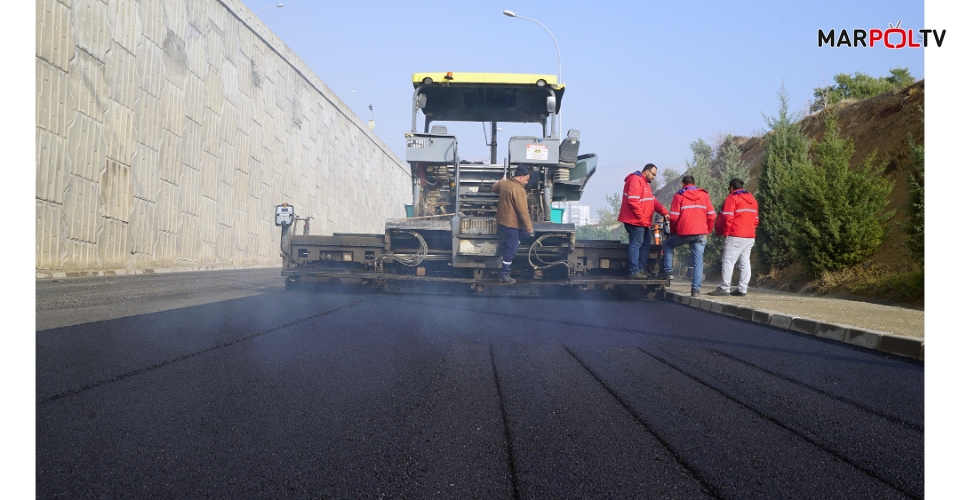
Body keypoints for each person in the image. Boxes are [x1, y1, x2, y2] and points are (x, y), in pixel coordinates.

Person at [659, 175, 715, 297]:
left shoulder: (679, 195)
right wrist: (708, 230)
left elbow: (673, 217)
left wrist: (673, 231)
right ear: (694, 183)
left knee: (668, 244)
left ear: (683, 184)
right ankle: (695, 290)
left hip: (684, 232)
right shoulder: (704, 195)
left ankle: (668, 272)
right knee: (698, 260)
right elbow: (711, 215)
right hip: (701, 233)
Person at [708, 178, 760, 297]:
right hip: (750, 236)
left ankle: (724, 288)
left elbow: (727, 218)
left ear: (731, 187)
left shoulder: (732, 198)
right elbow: (756, 220)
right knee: (745, 262)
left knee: (728, 261)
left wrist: (726, 233)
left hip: (735, 235)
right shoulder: (752, 199)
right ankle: (742, 289)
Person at [617, 163, 669, 279]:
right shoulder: (635, 180)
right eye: (653, 174)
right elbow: (633, 201)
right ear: (646, 171)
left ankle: (641, 269)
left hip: (642, 222)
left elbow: (653, 201)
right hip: (635, 222)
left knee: (645, 244)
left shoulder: (645, 184)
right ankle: (634, 271)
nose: (654, 177)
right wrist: (641, 217)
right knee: (636, 244)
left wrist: (664, 212)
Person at [492, 164, 534, 283]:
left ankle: (503, 244)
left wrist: (501, 180)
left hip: (502, 221)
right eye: (526, 179)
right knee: (512, 248)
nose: (526, 182)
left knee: (522, 236)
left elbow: (493, 188)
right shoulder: (519, 190)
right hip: (512, 223)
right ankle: (504, 275)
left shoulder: (505, 183)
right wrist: (529, 226)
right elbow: (523, 211)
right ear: (521, 177)